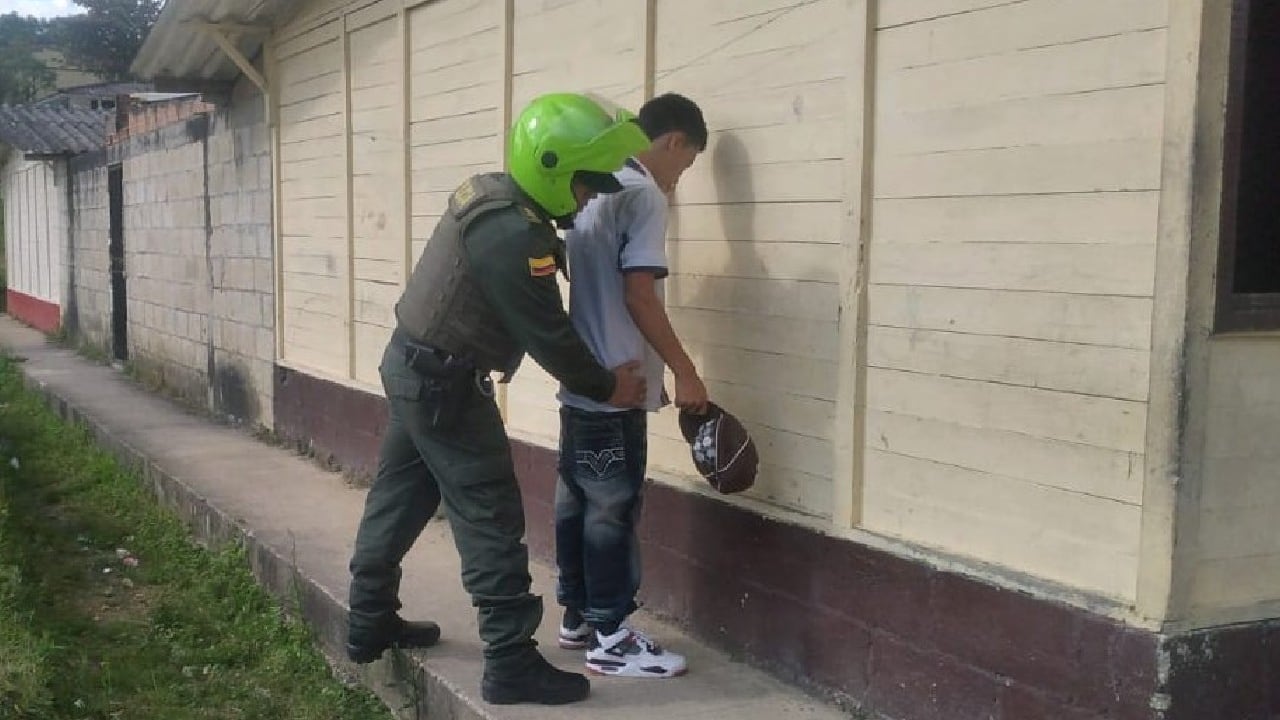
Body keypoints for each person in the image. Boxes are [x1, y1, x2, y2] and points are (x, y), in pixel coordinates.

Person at [345, 92, 652, 707]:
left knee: (401, 494)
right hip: (444, 386)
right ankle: (510, 660)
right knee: (490, 513)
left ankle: (368, 618)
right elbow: (551, 337)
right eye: (587, 185)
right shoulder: (515, 239)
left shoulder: (494, 198)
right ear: (555, 170)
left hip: (412, 367)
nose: (591, 198)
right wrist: (608, 384)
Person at [552, 93, 709, 678]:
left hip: (582, 380)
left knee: (576, 501)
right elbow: (639, 294)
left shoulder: (592, 189)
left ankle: (577, 619)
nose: (680, 178)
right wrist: (685, 369)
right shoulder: (642, 195)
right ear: (672, 143)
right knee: (611, 511)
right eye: (686, 164)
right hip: (617, 386)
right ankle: (612, 637)